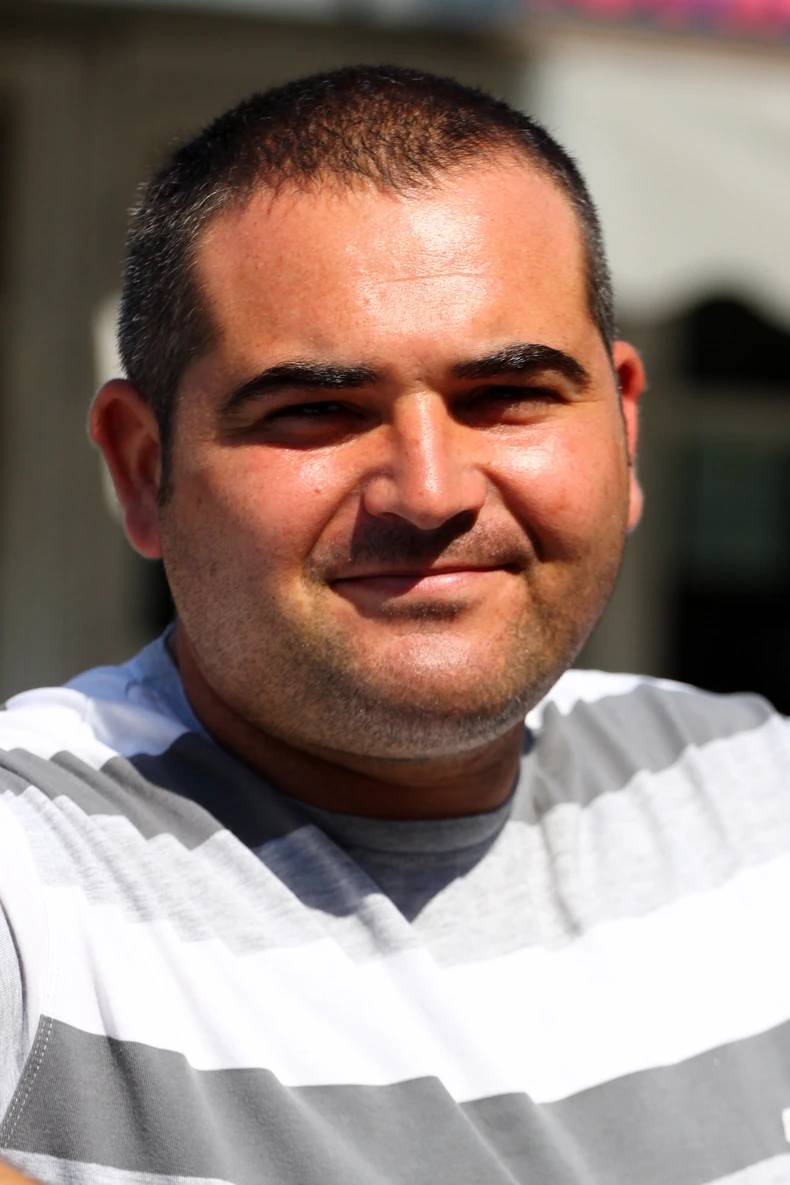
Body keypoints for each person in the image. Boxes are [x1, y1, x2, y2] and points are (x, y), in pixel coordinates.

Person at [0, 64, 788, 1185]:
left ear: (623, 431)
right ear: (142, 468)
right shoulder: (35, 872)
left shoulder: (747, 786)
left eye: (506, 397)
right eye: (317, 410)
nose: (428, 491)